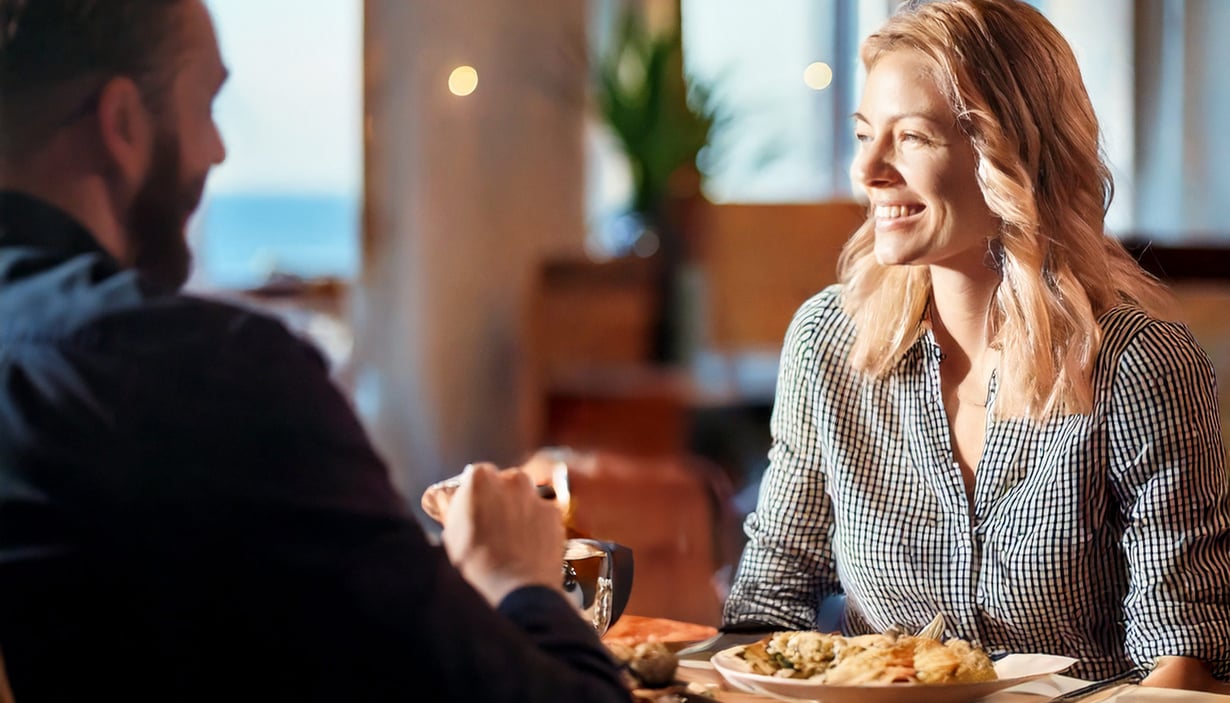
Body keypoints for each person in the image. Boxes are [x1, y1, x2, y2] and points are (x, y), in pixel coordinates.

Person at [0, 2, 627, 701]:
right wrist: (517, 577)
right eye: (206, 107)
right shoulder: (195, 373)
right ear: (121, 124)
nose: (217, 150)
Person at [722, 0, 1230, 693]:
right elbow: (769, 601)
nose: (868, 171)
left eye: (913, 138)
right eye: (865, 134)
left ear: (1010, 155)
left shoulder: (1140, 366)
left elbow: (1184, 654)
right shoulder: (827, 342)